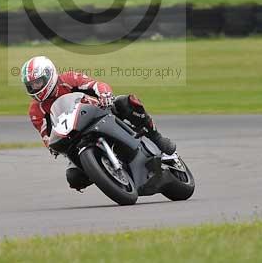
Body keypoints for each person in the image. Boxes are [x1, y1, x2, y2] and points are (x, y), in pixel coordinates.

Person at [21, 55, 176, 191]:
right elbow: (46, 137)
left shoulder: (69, 79)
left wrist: (105, 94)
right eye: (31, 85)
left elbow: (95, 85)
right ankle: (102, 173)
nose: (35, 88)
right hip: (74, 135)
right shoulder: (35, 111)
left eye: (38, 82)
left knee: (126, 102)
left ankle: (156, 137)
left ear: (50, 75)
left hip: (99, 112)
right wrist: (53, 146)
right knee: (73, 177)